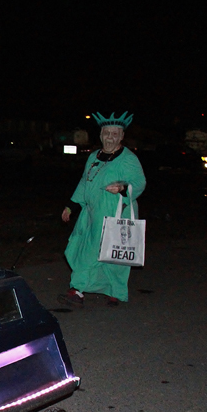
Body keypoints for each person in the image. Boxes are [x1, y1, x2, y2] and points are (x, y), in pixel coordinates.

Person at [59, 111, 146, 307]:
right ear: (100, 135)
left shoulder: (128, 158)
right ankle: (80, 288)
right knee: (86, 249)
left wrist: (123, 187)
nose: (110, 137)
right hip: (92, 214)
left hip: (116, 213)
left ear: (122, 136)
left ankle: (106, 290)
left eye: (115, 133)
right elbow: (84, 182)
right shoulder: (93, 157)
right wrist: (71, 205)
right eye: (107, 133)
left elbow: (139, 183)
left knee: (114, 255)